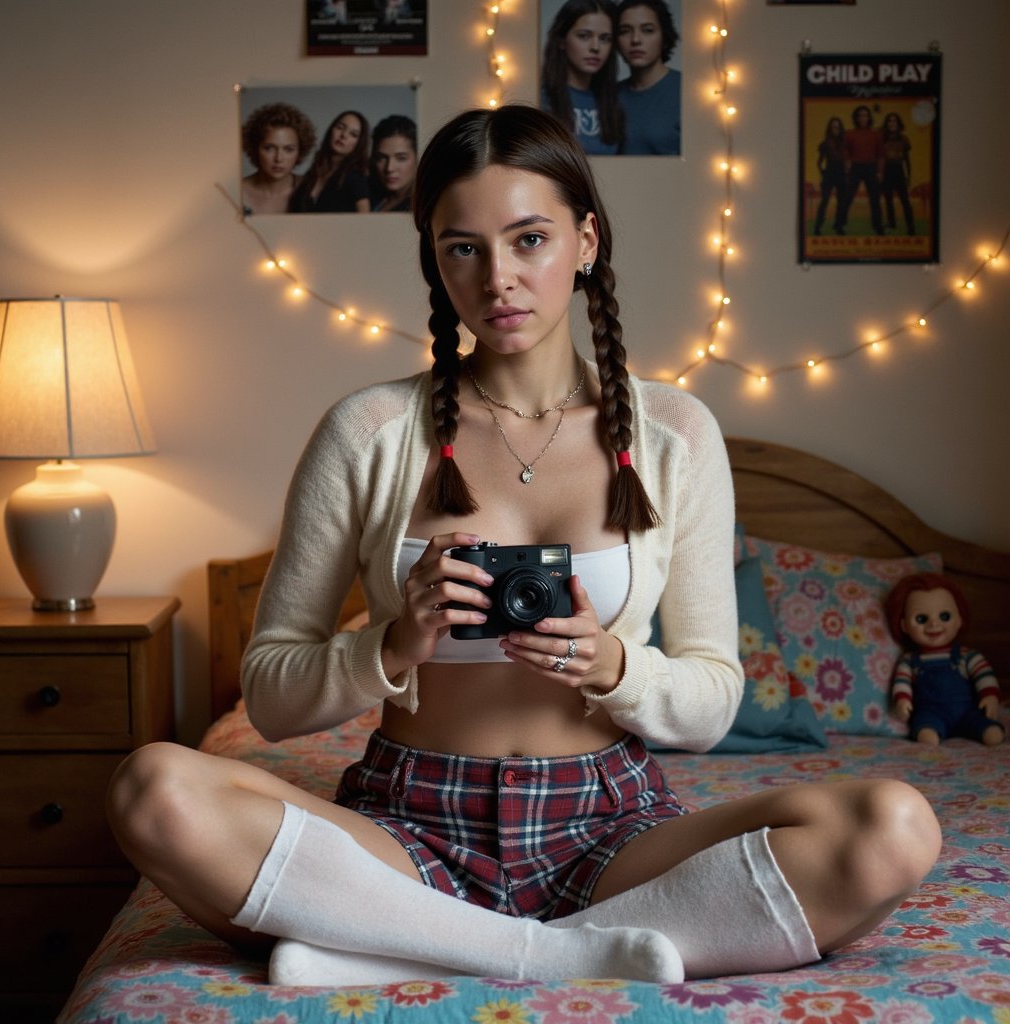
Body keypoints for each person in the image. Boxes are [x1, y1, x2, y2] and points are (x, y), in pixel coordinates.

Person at [106, 104, 941, 989]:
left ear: (585, 241)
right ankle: (556, 953)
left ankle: (396, 941)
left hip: (614, 829)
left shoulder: (675, 434)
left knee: (896, 825)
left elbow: (710, 701)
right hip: (402, 828)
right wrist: (391, 644)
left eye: (530, 239)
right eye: (462, 246)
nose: (498, 277)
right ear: (435, 258)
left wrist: (616, 665)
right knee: (153, 788)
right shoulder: (369, 430)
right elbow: (270, 698)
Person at [886, 572, 1004, 746]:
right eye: (921, 619)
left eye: (945, 617)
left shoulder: (967, 655)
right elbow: (901, 681)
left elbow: (984, 675)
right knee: (926, 731)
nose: (934, 624)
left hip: (966, 711)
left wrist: (990, 696)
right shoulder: (910, 660)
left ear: (959, 620)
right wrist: (902, 699)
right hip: (930, 712)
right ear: (904, 626)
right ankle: (929, 733)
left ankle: (987, 731)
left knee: (990, 732)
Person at [540, 0, 624, 156]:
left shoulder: (614, 102)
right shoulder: (541, 97)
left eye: (605, 38)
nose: (595, 47)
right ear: (562, 41)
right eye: (584, 36)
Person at [614, 0, 682, 155]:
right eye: (625, 31)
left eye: (648, 30)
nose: (636, 39)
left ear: (664, 38)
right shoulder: (609, 96)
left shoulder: (687, 90)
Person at [240, 102, 317, 216]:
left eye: (288, 149)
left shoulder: (311, 190)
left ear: (300, 152)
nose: (278, 158)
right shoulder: (237, 192)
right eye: (269, 148)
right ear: (255, 148)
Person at [289, 110, 371, 214]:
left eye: (353, 134)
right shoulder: (315, 171)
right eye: (340, 127)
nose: (344, 135)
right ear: (331, 130)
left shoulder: (355, 177)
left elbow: (366, 221)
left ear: (359, 144)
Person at [838, 105, 884, 235]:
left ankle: (878, 226)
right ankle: (840, 225)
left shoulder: (876, 134)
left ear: (869, 117)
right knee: (848, 198)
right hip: (855, 168)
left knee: (875, 199)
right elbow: (845, 150)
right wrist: (847, 161)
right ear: (856, 118)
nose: (863, 118)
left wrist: (880, 171)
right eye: (860, 115)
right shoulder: (849, 134)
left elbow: (880, 154)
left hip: (871, 168)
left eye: (865, 115)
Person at [370, 114, 417, 212]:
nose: (389, 168)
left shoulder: (420, 206)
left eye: (401, 158)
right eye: (382, 158)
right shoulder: (374, 197)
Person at [880, 111, 915, 235]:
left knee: (905, 200)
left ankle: (911, 227)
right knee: (888, 199)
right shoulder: (882, 138)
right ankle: (892, 223)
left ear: (898, 123)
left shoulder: (903, 139)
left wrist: (908, 176)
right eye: (889, 121)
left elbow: (907, 159)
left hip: (899, 170)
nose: (891, 123)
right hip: (887, 170)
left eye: (894, 121)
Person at [812, 116, 846, 236]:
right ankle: (818, 226)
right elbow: (820, 161)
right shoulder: (825, 143)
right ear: (830, 129)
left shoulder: (844, 143)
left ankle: (839, 226)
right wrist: (823, 172)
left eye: (837, 127)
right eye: (833, 127)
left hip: (841, 174)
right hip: (830, 173)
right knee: (824, 201)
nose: (835, 129)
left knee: (841, 202)